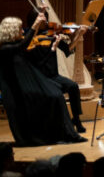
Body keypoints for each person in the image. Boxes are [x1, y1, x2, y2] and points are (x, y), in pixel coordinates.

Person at [0, 14, 86, 145]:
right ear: (11, 31)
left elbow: (64, 51)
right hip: (18, 90)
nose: (23, 31)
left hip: (31, 83)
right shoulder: (5, 49)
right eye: (20, 29)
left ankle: (67, 132)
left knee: (58, 94)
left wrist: (53, 48)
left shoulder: (18, 45)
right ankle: (56, 134)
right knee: (54, 96)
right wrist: (35, 25)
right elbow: (23, 46)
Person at [23, 10, 88, 133]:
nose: (46, 22)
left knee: (73, 86)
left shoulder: (52, 33)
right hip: (39, 78)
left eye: (46, 19)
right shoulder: (29, 35)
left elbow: (68, 49)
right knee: (57, 92)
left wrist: (79, 34)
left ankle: (77, 120)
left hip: (53, 75)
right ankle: (61, 123)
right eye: (43, 19)